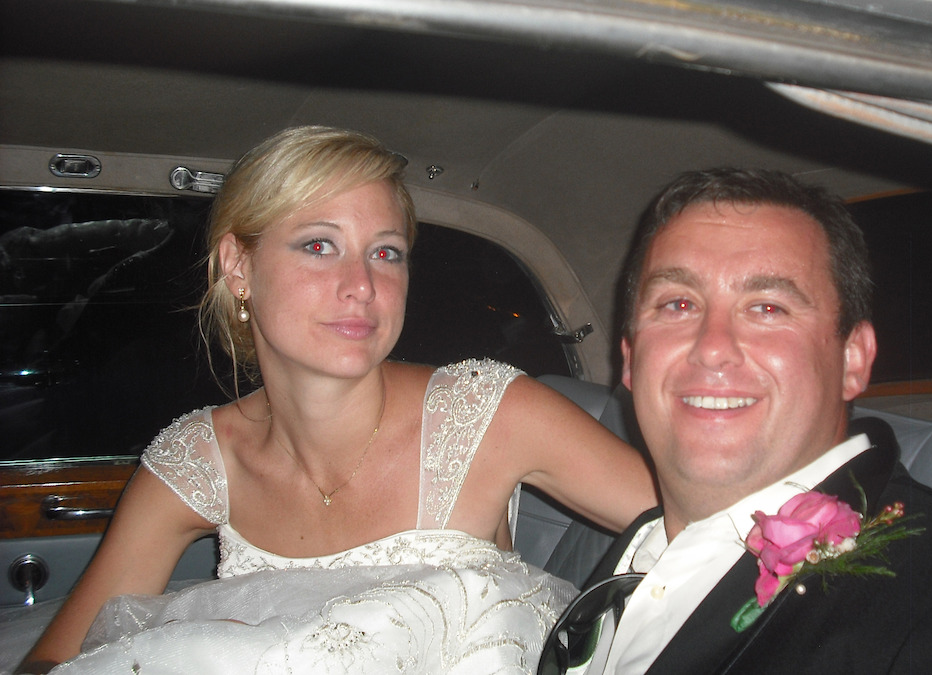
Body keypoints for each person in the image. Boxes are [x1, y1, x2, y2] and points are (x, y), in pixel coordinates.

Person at [15, 126, 656, 674]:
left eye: (386, 252)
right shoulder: (195, 462)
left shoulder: (489, 413)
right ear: (239, 267)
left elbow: (731, 543)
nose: (362, 285)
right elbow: (57, 661)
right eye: (319, 246)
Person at [540, 168, 932, 674]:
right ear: (631, 361)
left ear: (853, 360)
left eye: (768, 308)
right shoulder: (631, 551)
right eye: (678, 305)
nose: (711, 348)